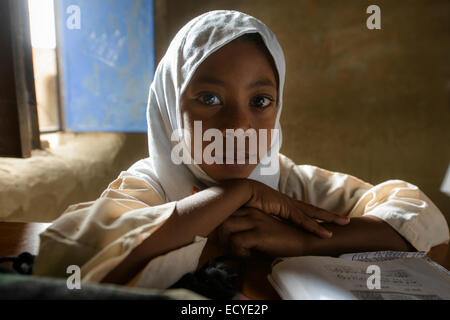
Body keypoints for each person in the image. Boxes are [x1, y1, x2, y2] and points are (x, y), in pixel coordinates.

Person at [33, 10, 449, 290]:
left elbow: (414, 216)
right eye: (209, 99)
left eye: (260, 101)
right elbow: (70, 259)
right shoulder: (152, 184)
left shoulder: (291, 184)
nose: (237, 125)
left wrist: (301, 241)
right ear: (169, 108)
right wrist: (234, 195)